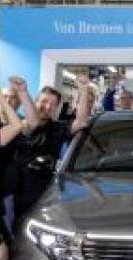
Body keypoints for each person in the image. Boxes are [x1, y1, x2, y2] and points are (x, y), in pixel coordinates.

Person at [8, 74, 94, 222]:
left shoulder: (58, 128)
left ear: (57, 108)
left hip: (43, 192)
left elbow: (81, 122)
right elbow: (32, 123)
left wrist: (84, 89)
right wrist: (23, 92)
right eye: (44, 101)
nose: (47, 107)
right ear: (35, 101)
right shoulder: (20, 125)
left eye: (52, 104)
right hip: (16, 191)